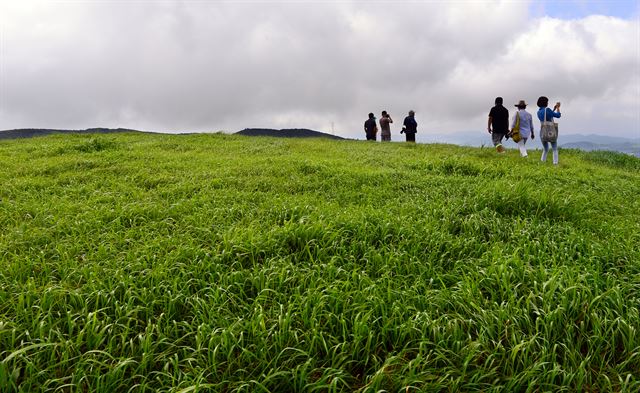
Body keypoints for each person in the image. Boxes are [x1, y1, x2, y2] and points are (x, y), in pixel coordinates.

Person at [536, 96, 561, 165]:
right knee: (554, 149)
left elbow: (546, 117)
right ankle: (555, 164)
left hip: (543, 132)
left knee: (546, 149)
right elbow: (558, 115)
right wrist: (558, 108)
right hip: (550, 132)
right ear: (545, 103)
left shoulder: (539, 112)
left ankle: (542, 162)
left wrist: (553, 109)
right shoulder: (548, 110)